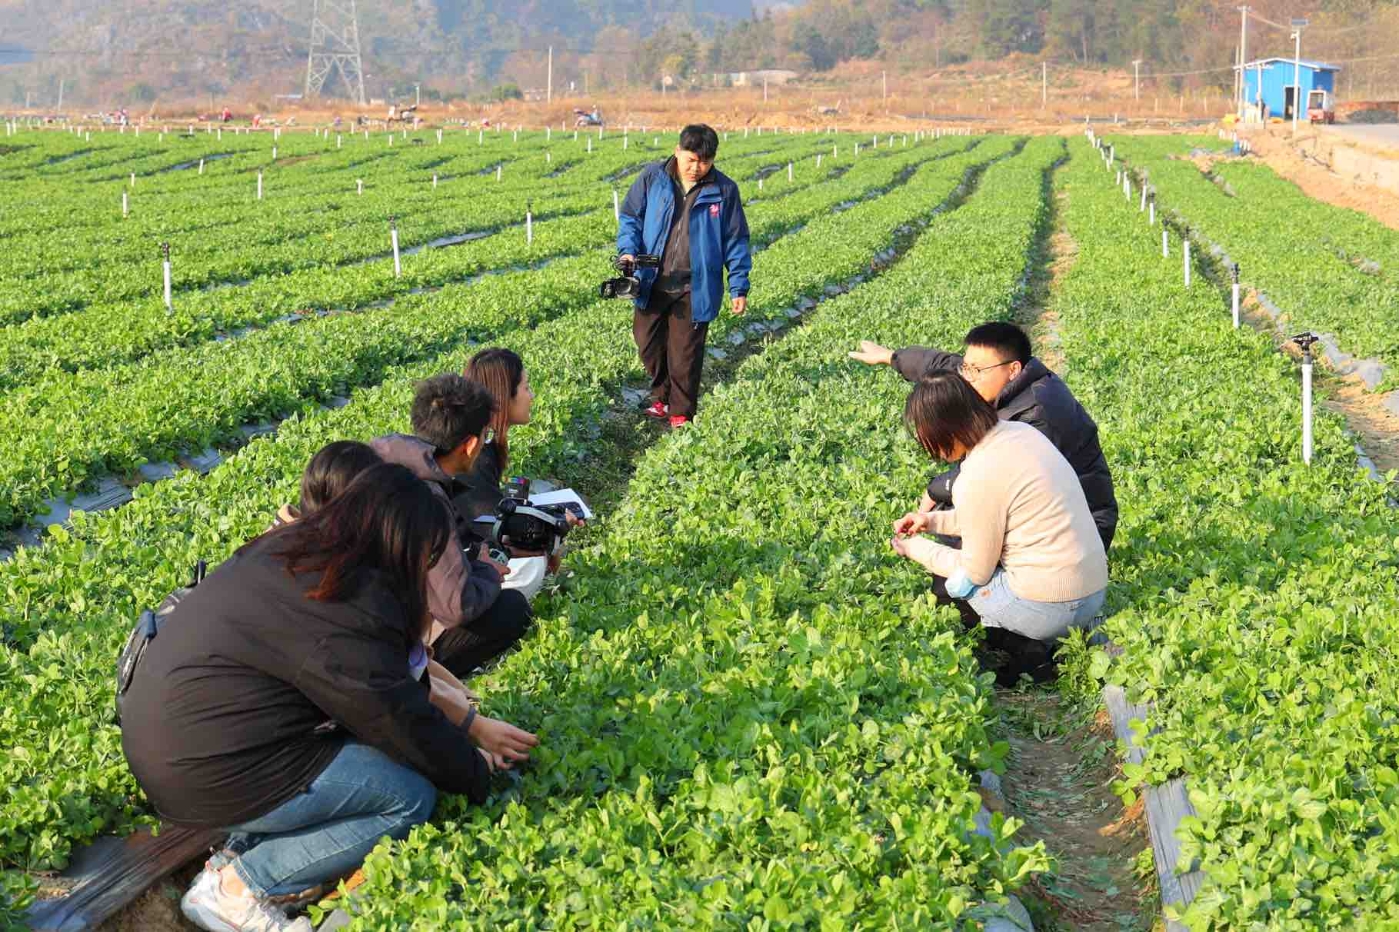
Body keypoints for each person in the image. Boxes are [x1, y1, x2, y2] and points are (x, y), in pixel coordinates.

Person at [120, 463, 538, 932]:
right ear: (402, 545)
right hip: (207, 768)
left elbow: (391, 683)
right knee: (405, 797)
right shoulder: (347, 600)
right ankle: (239, 889)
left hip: (174, 743)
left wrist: (470, 729)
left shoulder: (301, 553)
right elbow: (396, 719)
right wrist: (474, 772)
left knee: (373, 761)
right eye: (428, 555)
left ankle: (232, 858)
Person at [891, 373, 1109, 685]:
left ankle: (1028, 654)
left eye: (928, 437)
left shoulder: (978, 474)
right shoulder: (1019, 433)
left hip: (1055, 609)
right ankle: (1041, 640)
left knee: (956, 583)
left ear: (948, 428)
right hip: (1092, 593)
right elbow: (992, 515)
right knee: (957, 552)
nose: (930, 448)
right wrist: (931, 521)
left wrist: (916, 550)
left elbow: (975, 571)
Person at [850, 321, 1117, 550]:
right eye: (968, 367)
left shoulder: (1038, 412)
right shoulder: (992, 377)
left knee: (961, 521)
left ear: (1012, 369)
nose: (967, 377)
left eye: (976, 370)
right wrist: (892, 357)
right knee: (948, 513)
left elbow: (997, 475)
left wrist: (937, 488)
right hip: (1042, 508)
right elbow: (941, 366)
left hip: (1080, 528)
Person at [273, 440, 480, 719]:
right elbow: (393, 684)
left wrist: (470, 703)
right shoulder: (340, 579)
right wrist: (471, 722)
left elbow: (415, 662)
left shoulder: (286, 542)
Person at [372, 374, 532, 678]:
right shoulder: (426, 497)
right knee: (511, 608)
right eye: (484, 436)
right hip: (379, 646)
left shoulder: (376, 459)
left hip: (343, 616)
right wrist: (487, 570)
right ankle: (421, 678)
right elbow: (457, 607)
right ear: (470, 445)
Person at [618, 123, 752, 428]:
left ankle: (680, 410)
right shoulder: (654, 177)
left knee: (685, 353)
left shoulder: (724, 190)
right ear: (678, 151)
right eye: (691, 159)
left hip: (696, 284)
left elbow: (735, 240)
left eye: (705, 161)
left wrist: (738, 286)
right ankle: (661, 395)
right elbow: (630, 217)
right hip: (652, 279)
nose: (697, 167)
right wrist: (627, 250)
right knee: (647, 344)